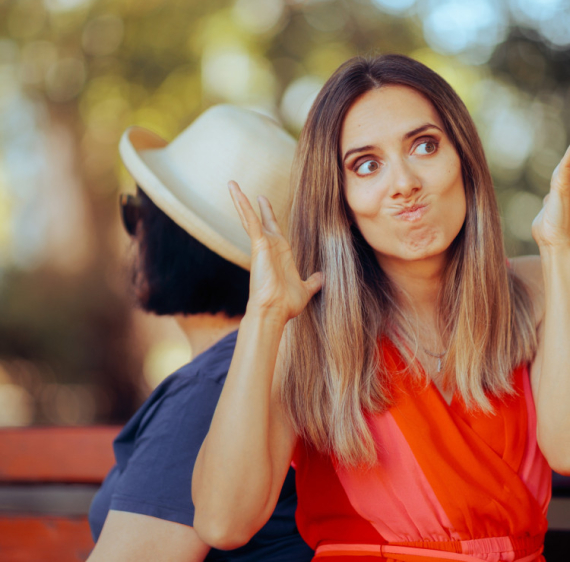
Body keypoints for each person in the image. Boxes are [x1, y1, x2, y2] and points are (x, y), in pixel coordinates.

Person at [191, 55, 570, 561]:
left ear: (464, 159)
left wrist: (558, 253)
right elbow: (223, 522)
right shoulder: (302, 327)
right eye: (366, 165)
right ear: (339, 197)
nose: (404, 183)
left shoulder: (538, 284)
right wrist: (263, 316)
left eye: (424, 145)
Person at [87, 105, 314, 562]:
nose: (132, 237)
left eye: (136, 215)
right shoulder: (260, 366)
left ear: (177, 242)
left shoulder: (212, 390)